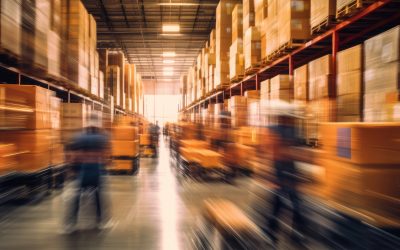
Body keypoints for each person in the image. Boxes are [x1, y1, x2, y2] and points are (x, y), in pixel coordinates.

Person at [63, 114, 112, 233]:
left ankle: (70, 223)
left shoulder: (79, 136)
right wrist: (106, 165)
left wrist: (71, 169)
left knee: (77, 196)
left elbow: (72, 154)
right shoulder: (103, 137)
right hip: (96, 170)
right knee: (98, 196)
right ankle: (101, 221)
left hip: (83, 171)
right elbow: (107, 155)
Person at [264, 114, 305, 243]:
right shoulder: (274, 129)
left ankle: (295, 233)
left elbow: (297, 150)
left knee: (295, 203)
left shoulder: (293, 130)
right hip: (279, 170)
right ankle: (271, 230)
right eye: (288, 118)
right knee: (279, 203)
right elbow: (273, 150)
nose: (291, 120)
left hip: (290, 170)